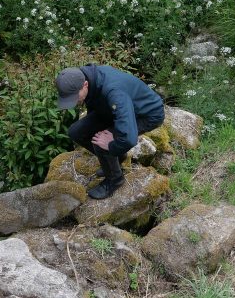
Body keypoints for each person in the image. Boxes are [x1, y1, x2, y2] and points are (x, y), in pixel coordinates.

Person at [55, 65, 165, 200]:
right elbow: (94, 102)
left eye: (73, 97)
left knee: (101, 141)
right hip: (110, 109)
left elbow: (129, 138)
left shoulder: (114, 92)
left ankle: (115, 179)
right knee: (76, 132)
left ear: (85, 85)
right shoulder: (85, 75)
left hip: (145, 114)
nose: (73, 101)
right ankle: (117, 159)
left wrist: (112, 145)